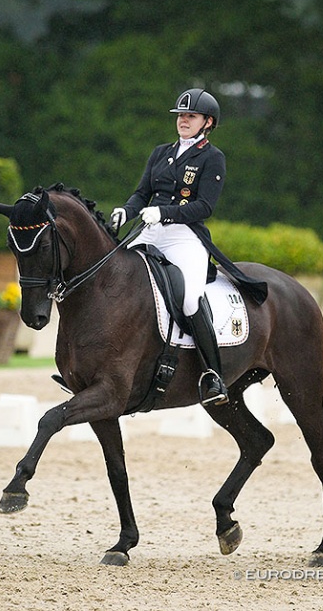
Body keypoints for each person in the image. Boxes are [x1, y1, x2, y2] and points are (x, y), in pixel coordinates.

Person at [111, 88, 267, 406]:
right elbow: (142, 193)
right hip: (151, 231)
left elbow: (204, 207)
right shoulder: (160, 153)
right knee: (115, 276)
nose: (183, 120)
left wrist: (164, 212)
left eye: (190, 116)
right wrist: (125, 211)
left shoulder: (212, 158)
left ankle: (213, 376)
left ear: (207, 122)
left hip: (185, 236)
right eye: (181, 115)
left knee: (191, 300)